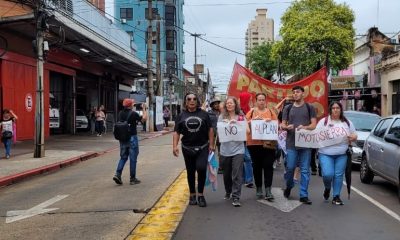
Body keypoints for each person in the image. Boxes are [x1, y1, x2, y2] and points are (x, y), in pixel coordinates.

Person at [173, 92, 214, 207]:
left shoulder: (204, 114)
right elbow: (176, 132)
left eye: (194, 99)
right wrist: (174, 146)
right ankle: (192, 195)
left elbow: (210, 129)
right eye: (189, 99)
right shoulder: (181, 116)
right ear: (186, 102)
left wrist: (211, 144)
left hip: (203, 147)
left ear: (197, 101)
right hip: (187, 148)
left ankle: (200, 195)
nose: (192, 101)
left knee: (201, 169)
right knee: (190, 172)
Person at [281, 86, 317, 204]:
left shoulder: (309, 107)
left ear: (303, 94)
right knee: (290, 167)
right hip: (291, 143)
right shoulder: (288, 107)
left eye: (297, 92)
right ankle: (289, 185)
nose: (295, 94)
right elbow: (282, 125)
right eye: (294, 92)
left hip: (305, 144)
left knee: (305, 170)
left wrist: (305, 127)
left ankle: (303, 195)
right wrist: (286, 127)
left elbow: (313, 125)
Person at [317, 101, 357, 205]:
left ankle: (336, 196)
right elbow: (315, 136)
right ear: (330, 110)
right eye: (333, 108)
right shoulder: (323, 122)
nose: (335, 110)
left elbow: (354, 135)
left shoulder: (347, 122)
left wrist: (353, 137)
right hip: (325, 153)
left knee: (338, 175)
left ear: (340, 110)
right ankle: (327, 188)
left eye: (337, 108)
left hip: (341, 154)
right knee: (327, 174)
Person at [246, 92, 278, 201]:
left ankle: (268, 190)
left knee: (268, 165)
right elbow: (245, 126)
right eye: (259, 100)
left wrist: (271, 122)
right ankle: (259, 188)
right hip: (254, 144)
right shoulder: (251, 112)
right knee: (257, 166)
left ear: (266, 101)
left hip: (268, 144)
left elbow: (276, 125)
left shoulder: (270, 112)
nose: (261, 102)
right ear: (256, 101)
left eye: (263, 100)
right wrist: (252, 121)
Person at [218, 97, 246, 207]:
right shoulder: (221, 117)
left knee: (237, 174)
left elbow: (247, 130)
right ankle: (228, 191)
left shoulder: (241, 116)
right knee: (227, 174)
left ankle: (236, 197)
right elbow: (219, 133)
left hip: (238, 150)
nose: (229, 105)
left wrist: (238, 123)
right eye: (227, 103)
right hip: (225, 150)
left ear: (235, 105)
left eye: (231, 103)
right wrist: (225, 124)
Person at [113, 99, 147, 185]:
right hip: (132, 138)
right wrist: (144, 109)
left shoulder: (120, 113)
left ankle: (118, 174)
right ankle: (132, 178)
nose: (133, 104)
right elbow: (144, 120)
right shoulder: (133, 113)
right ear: (130, 105)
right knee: (133, 158)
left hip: (123, 138)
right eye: (132, 103)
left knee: (123, 157)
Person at [239, 92, 254, 188]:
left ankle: (246, 179)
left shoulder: (253, 111)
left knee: (246, 158)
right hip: (241, 139)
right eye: (250, 99)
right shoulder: (239, 112)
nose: (252, 101)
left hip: (252, 138)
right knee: (247, 158)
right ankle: (248, 180)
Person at [208, 98, 222, 173]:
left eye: (218, 103)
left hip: (221, 135)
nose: (216, 105)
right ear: (212, 105)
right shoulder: (209, 114)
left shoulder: (222, 113)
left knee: (221, 152)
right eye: (215, 104)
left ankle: (221, 167)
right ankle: (212, 166)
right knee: (212, 151)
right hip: (212, 135)